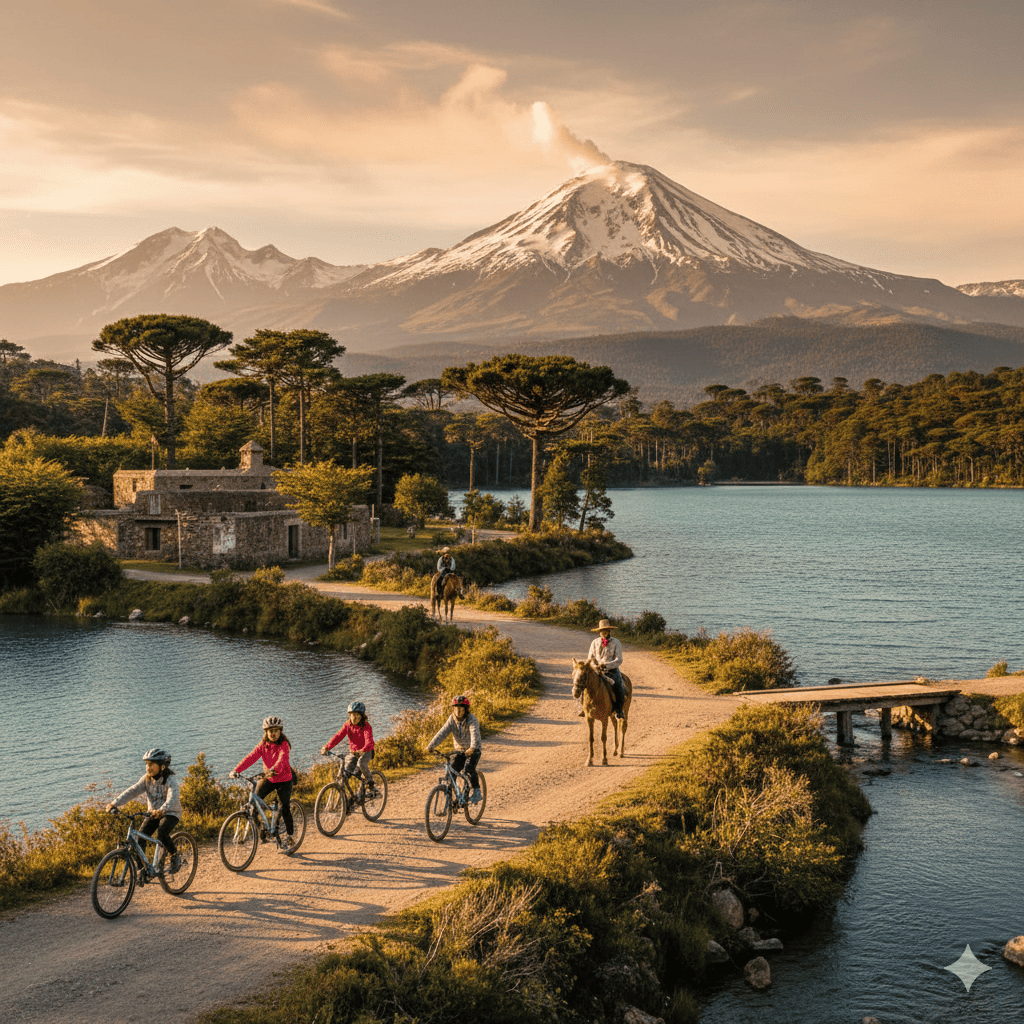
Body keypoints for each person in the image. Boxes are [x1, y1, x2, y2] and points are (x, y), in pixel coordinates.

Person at [107, 748, 182, 873]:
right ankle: (143, 869)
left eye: (151, 764)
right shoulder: (146, 779)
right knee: (139, 837)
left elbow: (172, 798)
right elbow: (133, 791)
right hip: (153, 814)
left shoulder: (170, 779)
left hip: (171, 813)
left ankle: (174, 856)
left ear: (162, 766)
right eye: (147, 764)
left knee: (162, 832)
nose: (148, 767)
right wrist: (115, 803)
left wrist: (162, 810)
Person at [229, 716, 296, 854]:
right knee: (254, 803)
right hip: (269, 778)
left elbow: (282, 760)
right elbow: (251, 757)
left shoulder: (284, 744)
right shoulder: (263, 744)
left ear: (280, 731)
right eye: (270, 731)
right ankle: (262, 830)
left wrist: (274, 770)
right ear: (266, 732)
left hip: (284, 779)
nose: (273, 733)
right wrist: (237, 770)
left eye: (276, 730)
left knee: (284, 807)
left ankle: (290, 835)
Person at [427, 695, 482, 803]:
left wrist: (472, 747)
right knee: (451, 771)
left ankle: (477, 792)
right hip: (460, 750)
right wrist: (431, 746)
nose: (458, 712)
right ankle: (457, 795)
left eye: (461, 709)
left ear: (466, 710)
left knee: (468, 769)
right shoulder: (452, 719)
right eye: (456, 709)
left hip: (473, 750)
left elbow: (474, 733)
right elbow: (442, 732)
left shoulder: (472, 719)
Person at [321, 700, 376, 792]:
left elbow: (369, 741)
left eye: (357, 715)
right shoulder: (347, 725)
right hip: (354, 753)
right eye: (352, 715)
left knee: (361, 763)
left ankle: (370, 784)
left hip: (367, 751)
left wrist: (363, 749)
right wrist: (327, 747)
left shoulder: (366, 726)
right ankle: (346, 798)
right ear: (349, 715)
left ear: (362, 716)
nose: (355, 718)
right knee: (345, 773)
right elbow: (338, 737)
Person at [585, 619, 626, 719]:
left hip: (612, 671)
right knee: (583, 683)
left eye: (606, 630)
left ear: (609, 631)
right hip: (597, 671)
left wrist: (606, 665)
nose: (603, 632)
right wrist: (594, 666)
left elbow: (619, 659)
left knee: (618, 686)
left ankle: (619, 710)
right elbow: (590, 657)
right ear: (599, 632)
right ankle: (584, 708)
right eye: (602, 630)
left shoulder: (616, 643)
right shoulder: (594, 643)